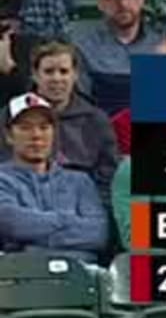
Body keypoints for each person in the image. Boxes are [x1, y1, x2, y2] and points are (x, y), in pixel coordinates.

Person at [0, 92, 107, 255]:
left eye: (44, 127)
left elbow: (98, 233)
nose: (36, 135)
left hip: (82, 272)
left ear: (54, 133)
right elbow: (11, 225)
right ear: (9, 136)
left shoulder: (80, 181)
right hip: (21, 273)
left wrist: (30, 243)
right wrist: (70, 222)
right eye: (25, 127)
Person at [67, 0, 166, 116]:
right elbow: (82, 106)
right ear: (101, 4)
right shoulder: (84, 48)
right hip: (103, 129)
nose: (122, 4)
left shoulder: (165, 44)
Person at [21, 43, 110, 203]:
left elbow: (108, 172)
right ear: (35, 74)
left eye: (64, 71)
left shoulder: (96, 119)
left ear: (75, 75)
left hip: (83, 202)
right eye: (48, 72)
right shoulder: (14, 114)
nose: (57, 78)